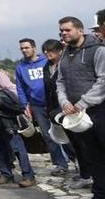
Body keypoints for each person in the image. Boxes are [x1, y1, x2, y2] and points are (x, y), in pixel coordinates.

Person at [56, 16, 105, 198]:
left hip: (99, 110)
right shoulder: (65, 55)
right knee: (94, 156)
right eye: (61, 30)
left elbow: (103, 81)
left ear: (80, 30)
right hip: (79, 114)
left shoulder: (98, 51)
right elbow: (60, 81)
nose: (63, 33)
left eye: (67, 30)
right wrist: (64, 102)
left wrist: (82, 103)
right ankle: (100, 192)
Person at [15, 38, 70, 175]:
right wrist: (24, 105)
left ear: (34, 48)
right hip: (37, 105)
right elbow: (20, 87)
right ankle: (60, 164)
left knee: (65, 132)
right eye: (22, 48)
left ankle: (76, 160)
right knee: (48, 135)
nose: (24, 50)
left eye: (27, 47)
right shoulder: (20, 67)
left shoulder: (46, 61)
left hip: (55, 103)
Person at [41, 38, 91, 190]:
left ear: (59, 50)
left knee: (83, 143)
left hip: (72, 108)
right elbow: (48, 90)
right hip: (56, 110)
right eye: (45, 51)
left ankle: (88, 174)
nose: (47, 53)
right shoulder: (46, 67)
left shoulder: (67, 64)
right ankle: (84, 174)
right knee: (72, 141)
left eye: (50, 50)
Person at [0, 69, 36, 187]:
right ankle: (6, 174)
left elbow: (12, 90)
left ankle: (28, 176)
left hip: (5, 116)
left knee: (16, 146)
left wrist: (20, 108)